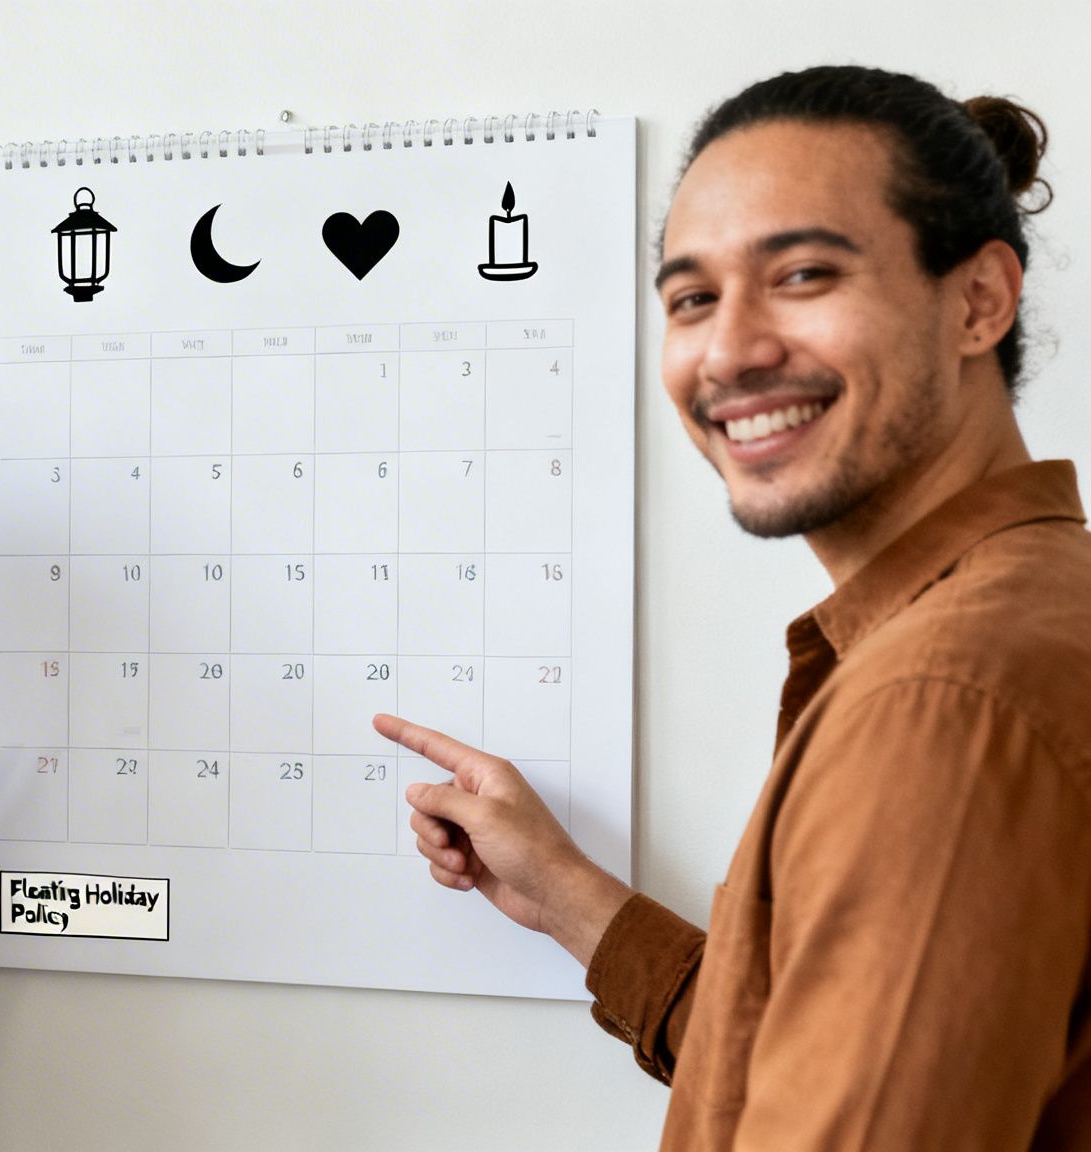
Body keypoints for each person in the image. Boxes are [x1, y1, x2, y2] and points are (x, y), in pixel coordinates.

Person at [379, 65, 1091, 1148]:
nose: (727, 350)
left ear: (977, 300)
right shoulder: (1030, 609)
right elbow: (810, 1062)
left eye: (803, 274)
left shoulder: (941, 697)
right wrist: (572, 899)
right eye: (691, 298)